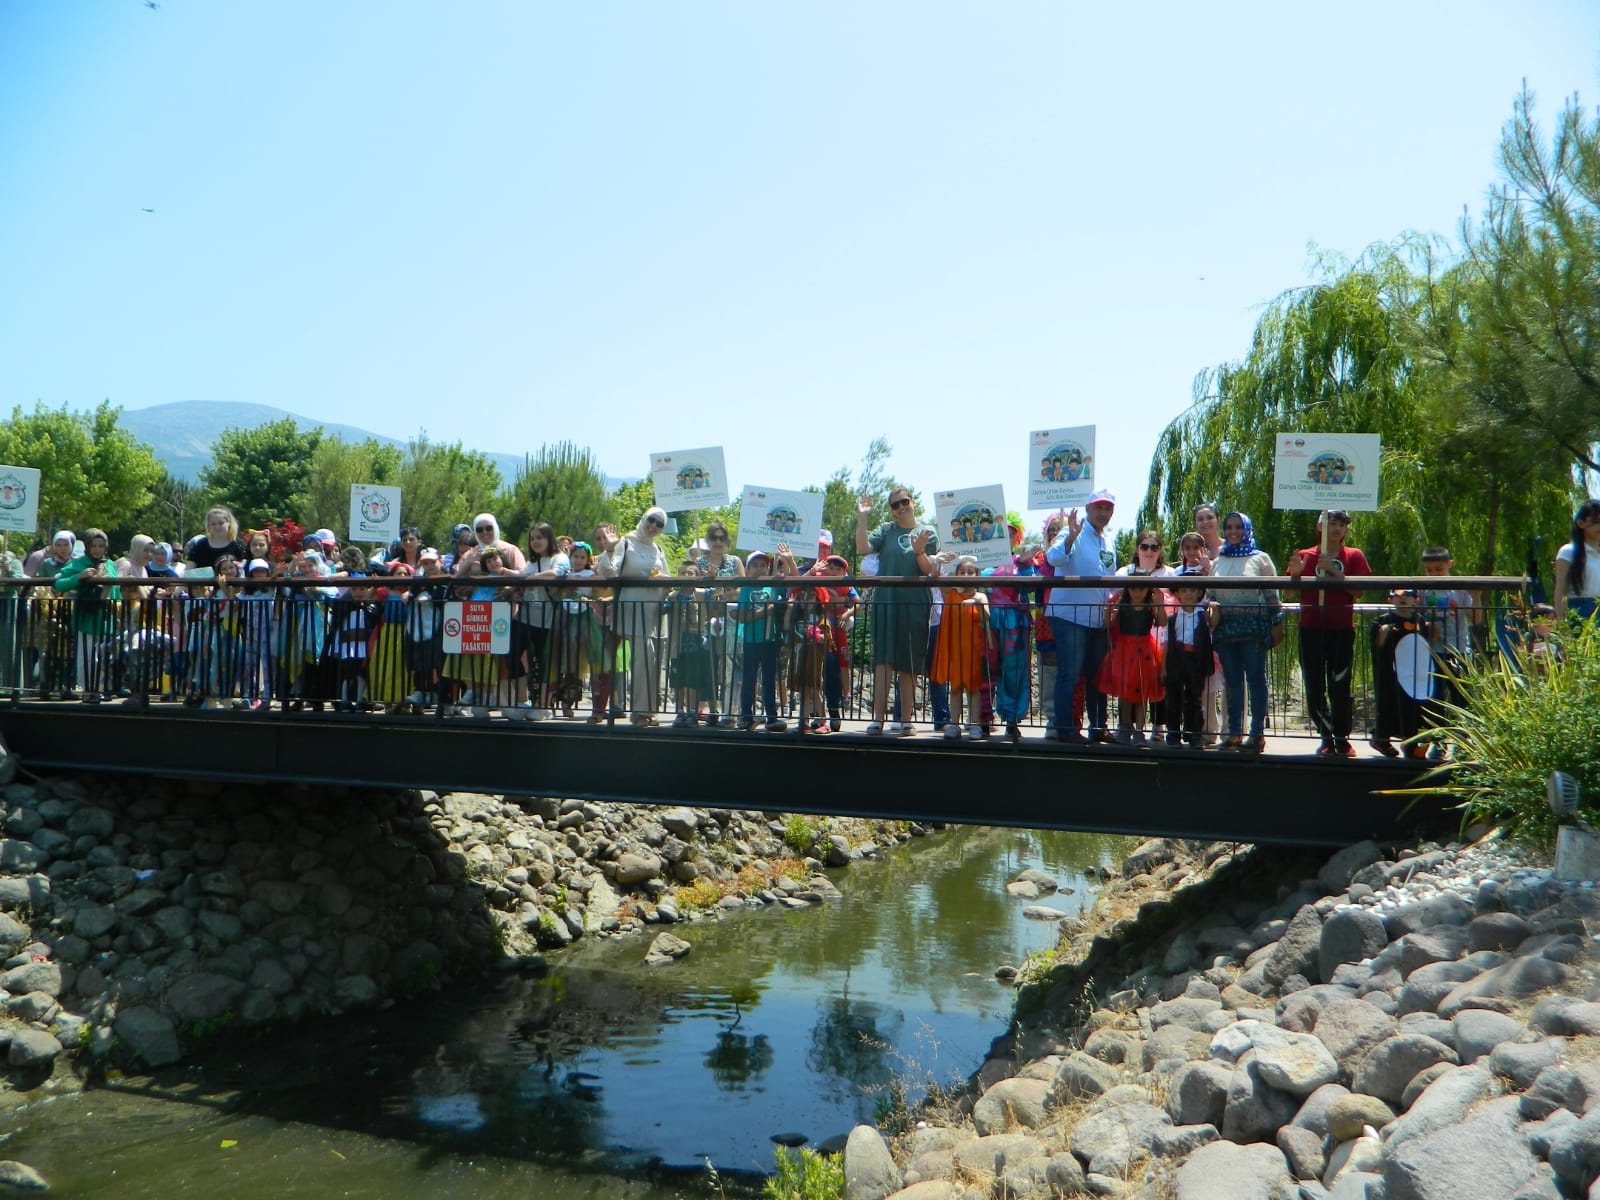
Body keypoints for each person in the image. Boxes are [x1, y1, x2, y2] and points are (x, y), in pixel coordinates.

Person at [1286, 509, 1372, 757]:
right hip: (1310, 629)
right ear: (1320, 526)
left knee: (1340, 686)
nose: (1336, 529)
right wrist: (1296, 574)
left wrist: (1334, 572)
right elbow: (1290, 594)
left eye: (1341, 525)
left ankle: (1342, 738)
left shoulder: (1354, 556)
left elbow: (1358, 592)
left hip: (1341, 630)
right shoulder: (1305, 555)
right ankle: (1326, 736)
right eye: (1331, 523)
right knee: (1314, 688)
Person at [855, 487, 938, 736]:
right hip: (886, 600)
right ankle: (877, 719)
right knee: (883, 662)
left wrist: (920, 551)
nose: (901, 507)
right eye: (895, 505)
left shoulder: (928, 532)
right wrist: (862, 517)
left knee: (909, 663)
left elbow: (928, 570)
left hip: (915, 603)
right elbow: (862, 547)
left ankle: (905, 720)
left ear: (913, 502)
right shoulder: (886, 530)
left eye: (904, 502)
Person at [1044, 488, 1118, 743]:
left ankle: (1098, 728)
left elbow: (1110, 580)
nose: (1103, 512)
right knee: (1070, 673)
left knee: (1097, 676)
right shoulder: (1071, 530)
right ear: (1087, 509)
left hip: (1097, 618)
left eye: (1108, 508)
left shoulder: (1108, 540)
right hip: (1070, 617)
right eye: (1098, 506)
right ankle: (1065, 730)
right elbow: (1053, 558)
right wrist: (1070, 537)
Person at [1206, 512, 1283, 753]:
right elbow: (1210, 595)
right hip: (1226, 630)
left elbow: (1273, 595)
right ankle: (1234, 733)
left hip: (1253, 629)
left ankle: (1257, 733)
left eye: (1238, 526)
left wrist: (1277, 624)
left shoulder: (1260, 559)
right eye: (1229, 527)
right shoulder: (1219, 560)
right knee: (1232, 682)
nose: (1233, 531)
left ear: (1246, 529)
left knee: (1256, 680)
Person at [596, 508, 670, 725]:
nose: (653, 526)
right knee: (643, 658)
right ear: (643, 518)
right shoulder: (625, 542)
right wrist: (610, 548)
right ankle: (639, 712)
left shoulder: (657, 549)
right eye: (651, 520)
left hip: (652, 611)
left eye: (659, 524)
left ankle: (647, 710)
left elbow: (665, 575)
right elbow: (609, 571)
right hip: (633, 608)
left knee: (651, 660)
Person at [50, 528, 121, 701]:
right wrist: (79, 577)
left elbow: (112, 585)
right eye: (94, 546)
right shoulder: (78, 563)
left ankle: (101, 688)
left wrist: (104, 580)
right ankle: (89, 690)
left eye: (101, 546)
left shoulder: (107, 563)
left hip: (105, 618)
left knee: (103, 658)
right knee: (86, 657)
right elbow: (58, 584)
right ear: (88, 547)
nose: (97, 549)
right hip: (86, 617)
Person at [1097, 570, 1165, 745]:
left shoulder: (1150, 605)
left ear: (1147, 589)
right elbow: (1109, 624)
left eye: (1141, 588)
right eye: (1133, 588)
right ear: (1128, 589)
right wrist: (1108, 613)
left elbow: (1162, 622)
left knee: (1143, 693)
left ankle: (1140, 730)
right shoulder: (1123, 603)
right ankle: (1125, 727)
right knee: (1125, 692)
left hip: (1145, 650)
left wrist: (1160, 605)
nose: (1137, 592)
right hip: (1124, 650)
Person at [513, 523, 570, 721]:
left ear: (549, 538)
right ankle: (522, 700)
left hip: (548, 621)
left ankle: (544, 705)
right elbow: (522, 581)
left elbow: (558, 573)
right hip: (525, 618)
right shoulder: (530, 562)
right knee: (514, 655)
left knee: (546, 663)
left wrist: (530, 578)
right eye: (533, 538)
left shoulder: (559, 558)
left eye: (540, 537)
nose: (536, 541)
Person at [930, 556, 991, 740]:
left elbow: (985, 616)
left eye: (970, 572)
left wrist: (975, 603)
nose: (965, 575)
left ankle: (974, 724)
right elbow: (937, 579)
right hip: (956, 649)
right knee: (955, 688)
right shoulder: (951, 593)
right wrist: (938, 561)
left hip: (974, 649)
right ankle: (954, 724)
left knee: (973, 689)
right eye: (962, 572)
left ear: (977, 575)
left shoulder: (980, 595)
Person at [1369, 589, 1433, 758]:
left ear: (1416, 600)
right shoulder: (1384, 620)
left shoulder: (1420, 621)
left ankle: (1411, 744)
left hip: (1414, 674)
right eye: (1397, 596)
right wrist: (1383, 632)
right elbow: (1377, 645)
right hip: (1391, 673)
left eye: (1408, 596)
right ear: (1390, 600)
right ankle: (1381, 738)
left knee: (1413, 708)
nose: (1403, 598)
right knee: (1388, 705)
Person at [693, 519, 744, 727]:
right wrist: (711, 584)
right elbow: (695, 592)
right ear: (707, 540)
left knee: (730, 668)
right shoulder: (700, 563)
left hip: (732, 623)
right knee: (711, 667)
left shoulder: (735, 561)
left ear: (727, 541)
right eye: (714, 537)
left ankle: (730, 712)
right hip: (708, 622)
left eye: (721, 538)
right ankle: (712, 710)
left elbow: (743, 588)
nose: (717, 541)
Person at [734, 552, 786, 732]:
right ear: (747, 570)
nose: (759, 569)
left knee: (769, 679)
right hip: (751, 640)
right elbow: (743, 617)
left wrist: (784, 566)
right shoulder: (746, 589)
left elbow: (789, 586)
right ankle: (746, 717)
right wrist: (765, 611)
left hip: (769, 640)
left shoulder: (772, 587)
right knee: (749, 678)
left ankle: (771, 716)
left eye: (763, 565)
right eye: (754, 565)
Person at [1163, 570, 1214, 748]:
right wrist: (1164, 667)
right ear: (1177, 594)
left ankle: (1194, 734)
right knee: (1174, 697)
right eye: (1184, 590)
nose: (1188, 594)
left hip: (1196, 659)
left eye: (1192, 590)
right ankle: (1173, 734)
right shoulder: (1173, 618)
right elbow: (1166, 642)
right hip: (1176, 658)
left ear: (1200, 592)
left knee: (1194, 698)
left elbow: (1212, 629)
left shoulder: (1204, 615)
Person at [667, 563, 715, 726]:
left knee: (694, 680)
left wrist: (712, 578)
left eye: (690, 573)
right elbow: (662, 608)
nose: (686, 576)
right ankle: (680, 712)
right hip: (678, 643)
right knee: (679, 680)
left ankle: (693, 712)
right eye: (683, 573)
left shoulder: (702, 594)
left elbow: (718, 590)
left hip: (697, 642)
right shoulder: (673, 596)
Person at [1553, 499, 1600, 622]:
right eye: (1597, 522)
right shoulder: (1568, 552)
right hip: (1579, 615)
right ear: (1580, 523)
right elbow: (1560, 591)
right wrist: (1563, 625)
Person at [185, 507, 247, 571]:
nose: (217, 527)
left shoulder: (239, 544)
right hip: (204, 581)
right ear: (208, 526)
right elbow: (188, 570)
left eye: (221, 523)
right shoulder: (200, 545)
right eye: (213, 524)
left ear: (229, 523)